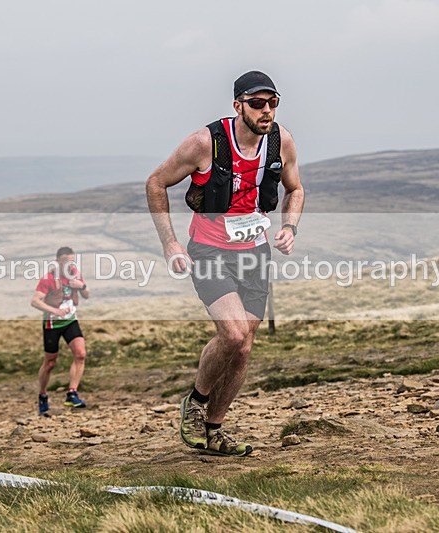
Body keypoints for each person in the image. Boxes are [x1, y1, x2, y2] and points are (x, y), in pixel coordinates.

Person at [146, 70, 304, 456]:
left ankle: (213, 430)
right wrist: (170, 244)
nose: (266, 111)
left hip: (254, 252)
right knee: (233, 334)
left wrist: (290, 227)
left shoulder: (281, 141)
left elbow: (295, 189)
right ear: (238, 106)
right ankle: (196, 403)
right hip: (209, 251)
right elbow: (155, 183)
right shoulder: (204, 143)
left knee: (245, 348)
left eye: (273, 103)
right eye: (256, 103)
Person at [30, 246, 90, 416]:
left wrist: (81, 285)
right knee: (50, 363)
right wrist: (54, 311)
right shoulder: (48, 278)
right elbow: (34, 301)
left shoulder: (75, 273)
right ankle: (42, 395)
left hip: (70, 320)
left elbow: (86, 294)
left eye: (72, 261)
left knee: (80, 354)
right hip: (52, 324)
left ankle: (72, 393)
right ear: (58, 262)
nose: (69, 265)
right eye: (66, 262)